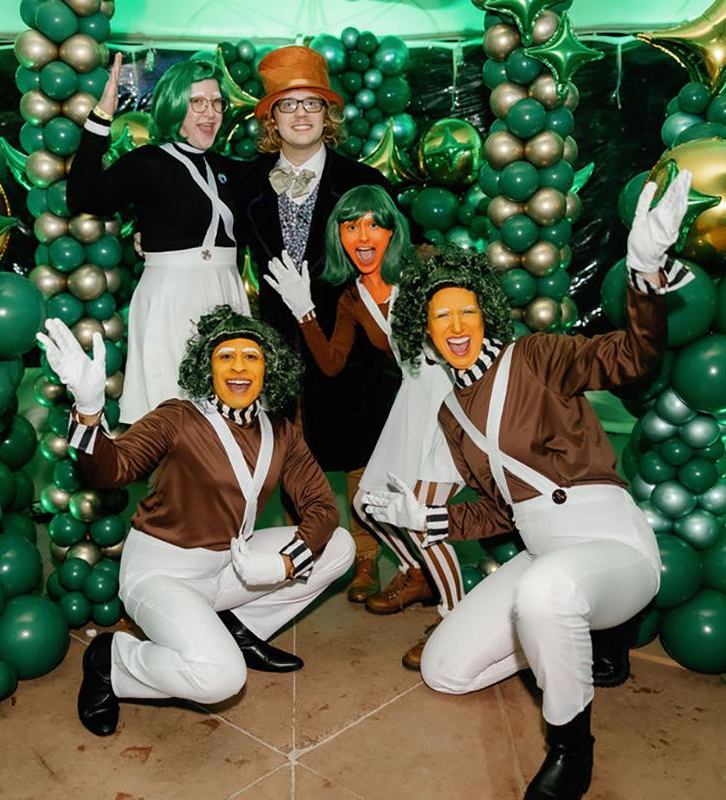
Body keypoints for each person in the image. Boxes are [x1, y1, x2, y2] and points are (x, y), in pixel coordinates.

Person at [364, 172, 694, 799]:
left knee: (545, 590)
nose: (456, 325)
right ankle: (562, 633)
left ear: (486, 314)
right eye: (441, 316)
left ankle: (572, 747)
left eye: (466, 310)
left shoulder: (538, 356)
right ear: (425, 333)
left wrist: (644, 276)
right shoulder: (448, 413)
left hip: (612, 547)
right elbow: (496, 512)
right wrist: (429, 521)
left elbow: (631, 356)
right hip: (545, 555)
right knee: (445, 670)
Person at [37, 307, 355, 737]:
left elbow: (322, 506)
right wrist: (90, 411)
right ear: (208, 368)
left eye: (251, 356)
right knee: (222, 679)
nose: (239, 366)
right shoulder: (179, 417)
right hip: (162, 573)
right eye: (226, 357)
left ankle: (240, 629)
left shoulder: (281, 432)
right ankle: (112, 661)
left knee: (338, 546)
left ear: (269, 369)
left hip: (230, 567)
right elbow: (110, 471)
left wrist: (283, 564)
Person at [264, 184, 465, 669]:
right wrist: (303, 310)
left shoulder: (420, 272)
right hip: (414, 399)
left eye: (374, 223)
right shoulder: (353, 296)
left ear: (392, 228)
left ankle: (455, 619)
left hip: (454, 394)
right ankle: (417, 573)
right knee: (368, 500)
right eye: (350, 226)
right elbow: (331, 364)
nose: (363, 235)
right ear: (339, 236)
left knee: (424, 509)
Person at [232, 45, 397, 603]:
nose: (300, 115)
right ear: (270, 120)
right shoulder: (246, 182)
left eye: (311, 105)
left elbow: (394, 259)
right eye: (288, 106)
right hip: (276, 340)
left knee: (359, 452)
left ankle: (369, 556)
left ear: (328, 116)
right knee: (280, 450)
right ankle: (297, 551)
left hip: (352, 343)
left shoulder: (363, 179)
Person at [67, 54, 248, 424]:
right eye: (197, 102)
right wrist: (102, 114)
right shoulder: (148, 162)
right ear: (174, 106)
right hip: (171, 296)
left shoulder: (228, 169)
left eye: (216, 103)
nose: (210, 113)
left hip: (227, 292)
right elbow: (84, 197)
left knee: (228, 415)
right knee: (173, 411)